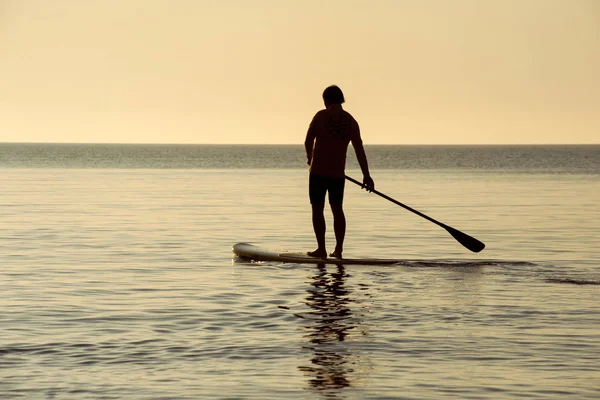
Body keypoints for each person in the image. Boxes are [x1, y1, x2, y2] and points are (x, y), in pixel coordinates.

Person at [304, 85, 374, 259]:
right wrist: (366, 175)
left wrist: (310, 158)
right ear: (341, 99)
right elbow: (359, 150)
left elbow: (308, 141)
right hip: (337, 174)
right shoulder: (351, 121)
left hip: (318, 172)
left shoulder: (320, 116)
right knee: (337, 209)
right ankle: (339, 250)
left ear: (326, 100)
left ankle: (321, 249)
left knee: (317, 209)